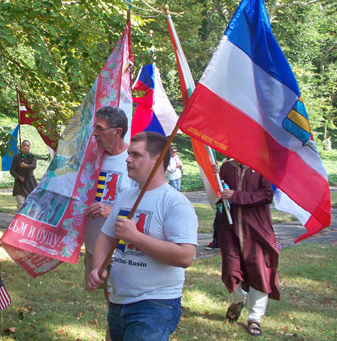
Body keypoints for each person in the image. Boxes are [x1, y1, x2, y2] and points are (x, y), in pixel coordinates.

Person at [87, 131, 198, 341]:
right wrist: (96, 268)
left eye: (136, 155)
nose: (127, 159)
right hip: (119, 301)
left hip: (155, 305)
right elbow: (106, 237)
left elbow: (185, 256)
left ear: (157, 160)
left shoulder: (175, 203)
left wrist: (135, 237)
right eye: (129, 154)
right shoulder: (126, 197)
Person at [84, 106, 137, 341]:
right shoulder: (93, 159)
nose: (94, 133)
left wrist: (112, 210)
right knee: (111, 300)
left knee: (119, 302)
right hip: (96, 244)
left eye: (99, 128)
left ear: (117, 131)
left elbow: (147, 203)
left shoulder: (135, 161)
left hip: (124, 246)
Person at [213, 159, 280, 337]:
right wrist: (214, 177)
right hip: (230, 227)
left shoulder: (263, 166)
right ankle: (238, 300)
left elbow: (267, 195)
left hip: (257, 228)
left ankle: (255, 317)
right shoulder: (227, 167)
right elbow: (218, 194)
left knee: (259, 270)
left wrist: (236, 196)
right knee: (230, 269)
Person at [10, 140, 38, 210]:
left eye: (27, 146)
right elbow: (12, 170)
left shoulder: (32, 157)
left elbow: (33, 166)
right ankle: (19, 219)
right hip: (19, 185)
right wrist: (18, 177)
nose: (26, 147)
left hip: (30, 183)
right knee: (20, 203)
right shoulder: (17, 157)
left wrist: (26, 166)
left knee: (30, 204)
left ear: (29, 147)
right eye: (24, 145)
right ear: (21, 147)